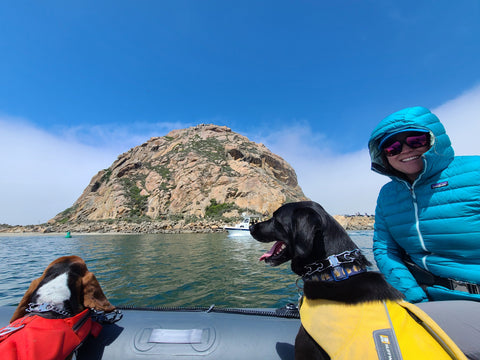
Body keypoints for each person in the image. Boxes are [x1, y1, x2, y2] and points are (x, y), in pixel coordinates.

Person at [368, 106, 480, 303]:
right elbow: (385, 249)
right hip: (426, 297)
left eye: (416, 140)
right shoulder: (388, 195)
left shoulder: (475, 172)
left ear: (434, 139)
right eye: (392, 147)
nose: (405, 150)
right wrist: (414, 297)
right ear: (384, 156)